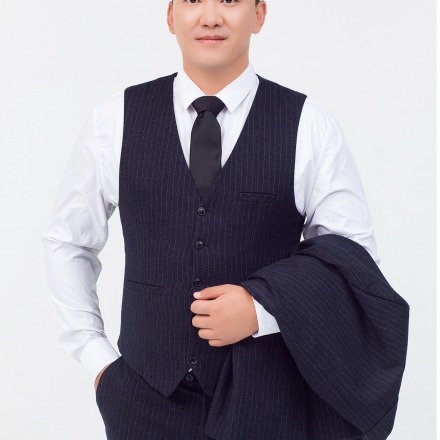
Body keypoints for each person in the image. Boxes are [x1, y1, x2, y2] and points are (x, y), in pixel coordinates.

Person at [42, 1, 403, 439]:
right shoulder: (113, 120)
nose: (210, 16)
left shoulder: (310, 125)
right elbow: (68, 241)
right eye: (193, 0)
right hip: (141, 402)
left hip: (268, 404)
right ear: (171, 15)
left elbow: (355, 266)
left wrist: (263, 309)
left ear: (259, 14)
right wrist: (97, 359)